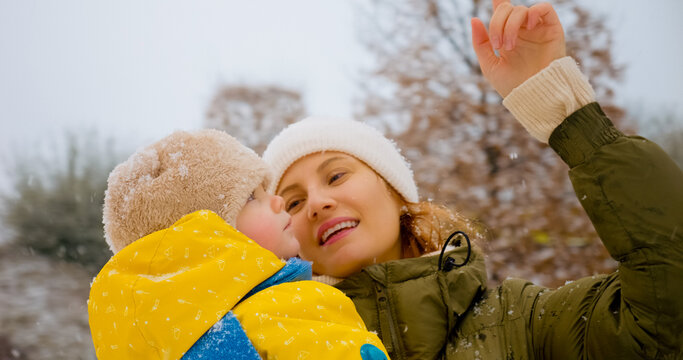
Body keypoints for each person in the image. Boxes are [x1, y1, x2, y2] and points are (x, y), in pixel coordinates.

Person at [261, 1, 683, 358]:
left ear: (396, 193)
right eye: (293, 203)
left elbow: (663, 317)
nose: (316, 202)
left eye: (335, 175)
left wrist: (567, 116)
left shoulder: (522, 325)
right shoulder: (268, 347)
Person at [87, 129, 388, 360]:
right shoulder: (281, 310)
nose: (278, 201)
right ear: (206, 240)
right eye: (251, 197)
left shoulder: (172, 338)